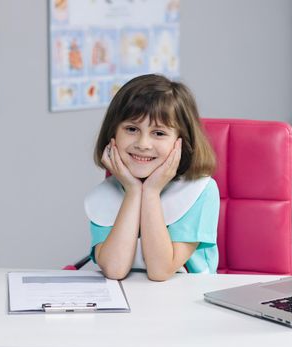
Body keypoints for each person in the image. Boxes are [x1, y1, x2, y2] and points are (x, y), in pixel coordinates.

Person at [84, 74, 219, 281]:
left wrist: (151, 192)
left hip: (186, 304)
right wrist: (133, 191)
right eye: (131, 129)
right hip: (129, 305)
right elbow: (114, 269)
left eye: (158, 133)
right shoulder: (105, 195)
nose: (143, 144)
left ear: (181, 141)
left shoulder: (201, 191)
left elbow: (160, 270)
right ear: (113, 135)